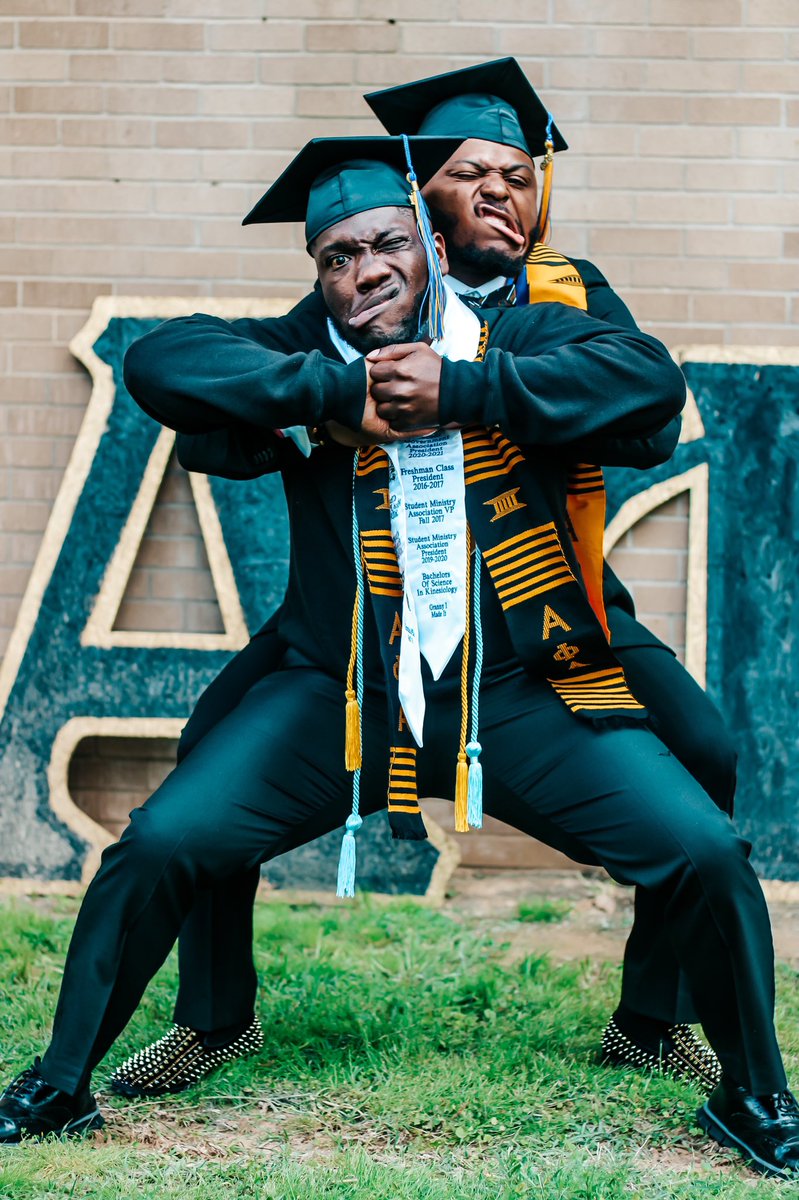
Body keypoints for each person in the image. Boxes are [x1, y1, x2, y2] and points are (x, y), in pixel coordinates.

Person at [2, 136, 795, 1180]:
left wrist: (465, 393)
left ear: (428, 241)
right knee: (161, 842)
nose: (364, 268)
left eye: (385, 243)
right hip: (336, 692)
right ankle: (62, 1080)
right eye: (336, 255)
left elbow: (644, 381)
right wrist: (331, 393)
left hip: (510, 692)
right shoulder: (305, 347)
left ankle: (750, 1096)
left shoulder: (519, 331)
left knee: (701, 851)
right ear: (318, 273)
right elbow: (164, 359)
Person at [110, 59, 736, 1102]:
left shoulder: (567, 294)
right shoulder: (357, 293)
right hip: (359, 620)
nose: (504, 190)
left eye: (518, 174)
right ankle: (214, 1019)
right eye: (471, 172)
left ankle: (653, 1018)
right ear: (420, 201)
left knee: (705, 747)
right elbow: (212, 403)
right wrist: (326, 396)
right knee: (205, 748)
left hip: (548, 604)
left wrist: (485, 390)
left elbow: (648, 423)